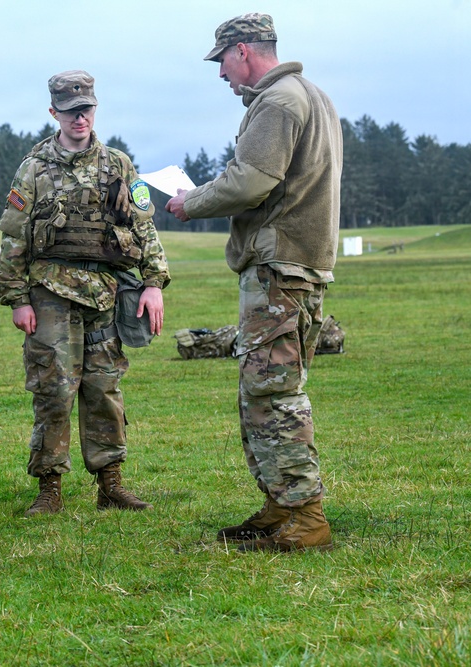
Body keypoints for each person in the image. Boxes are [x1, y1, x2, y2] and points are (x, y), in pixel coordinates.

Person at [165, 13, 342, 552]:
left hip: (278, 267)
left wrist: (189, 203)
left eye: (221, 60)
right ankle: (281, 503)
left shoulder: (278, 101)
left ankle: (305, 517)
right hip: (296, 265)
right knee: (265, 390)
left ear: (243, 51)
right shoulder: (309, 95)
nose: (220, 74)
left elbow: (251, 181)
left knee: (273, 393)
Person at [0, 70, 170, 517]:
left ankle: (110, 483)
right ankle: (49, 488)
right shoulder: (34, 168)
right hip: (50, 290)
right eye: (71, 112)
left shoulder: (118, 165)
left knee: (104, 387)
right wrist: (17, 299)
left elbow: (143, 225)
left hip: (105, 293)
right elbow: (14, 237)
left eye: (87, 110)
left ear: (95, 109)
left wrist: (153, 282)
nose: (80, 118)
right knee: (54, 388)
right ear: (54, 112)